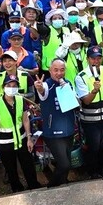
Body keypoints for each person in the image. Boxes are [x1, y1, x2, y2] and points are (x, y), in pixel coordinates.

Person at [0, 75, 41, 192]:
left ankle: (34, 186)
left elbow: (25, 119)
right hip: (5, 143)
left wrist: (29, 138)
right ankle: (17, 190)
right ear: (3, 87)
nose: (12, 88)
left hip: (22, 139)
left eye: (14, 86)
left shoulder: (20, 99)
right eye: (9, 85)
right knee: (11, 169)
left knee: (28, 165)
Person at [34, 59, 77, 187]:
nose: (59, 73)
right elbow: (42, 92)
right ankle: (51, 186)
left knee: (67, 162)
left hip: (69, 129)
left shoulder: (68, 83)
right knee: (64, 164)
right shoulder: (47, 85)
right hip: (53, 132)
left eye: (62, 70)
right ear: (50, 70)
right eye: (56, 70)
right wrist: (40, 88)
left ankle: (63, 185)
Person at [78, 46, 103, 179]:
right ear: (88, 59)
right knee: (93, 146)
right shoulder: (81, 77)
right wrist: (94, 91)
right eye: (93, 58)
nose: (96, 61)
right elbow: (86, 101)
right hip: (90, 119)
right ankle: (92, 171)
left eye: (99, 58)